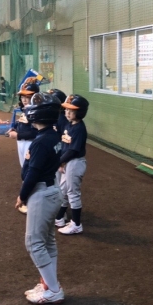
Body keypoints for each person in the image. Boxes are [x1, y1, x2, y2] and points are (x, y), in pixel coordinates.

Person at [15, 93, 65, 305]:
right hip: (52, 191)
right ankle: (48, 283)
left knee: (34, 243)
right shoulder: (53, 135)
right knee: (47, 241)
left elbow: (32, 174)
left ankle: (53, 290)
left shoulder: (41, 141)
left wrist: (22, 196)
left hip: (41, 193)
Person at [55, 95, 90, 235]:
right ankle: (59, 218)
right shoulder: (69, 125)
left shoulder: (79, 128)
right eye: (66, 109)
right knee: (62, 191)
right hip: (68, 162)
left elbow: (73, 151)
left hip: (75, 163)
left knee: (72, 193)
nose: (67, 112)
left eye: (71, 110)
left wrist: (58, 161)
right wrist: (62, 162)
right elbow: (65, 147)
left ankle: (76, 224)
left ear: (80, 112)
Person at [7, 82, 40, 214]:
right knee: (24, 169)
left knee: (29, 170)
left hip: (30, 143)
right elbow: (22, 125)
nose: (24, 99)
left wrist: (18, 135)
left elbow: (36, 132)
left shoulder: (37, 112)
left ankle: (27, 200)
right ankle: (27, 198)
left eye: (28, 96)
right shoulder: (25, 110)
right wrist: (14, 128)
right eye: (23, 97)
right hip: (21, 142)